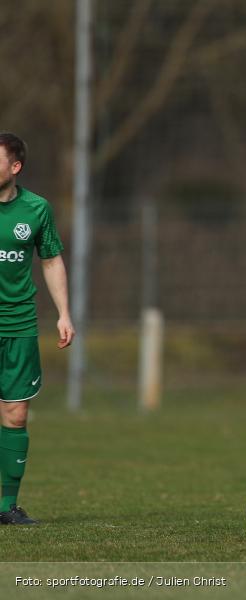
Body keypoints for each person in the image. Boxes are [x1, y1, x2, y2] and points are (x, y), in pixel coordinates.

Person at [0, 132, 75, 525]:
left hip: (19, 324)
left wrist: (63, 312)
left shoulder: (36, 209)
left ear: (15, 167)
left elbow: (50, 260)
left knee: (15, 414)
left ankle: (7, 506)